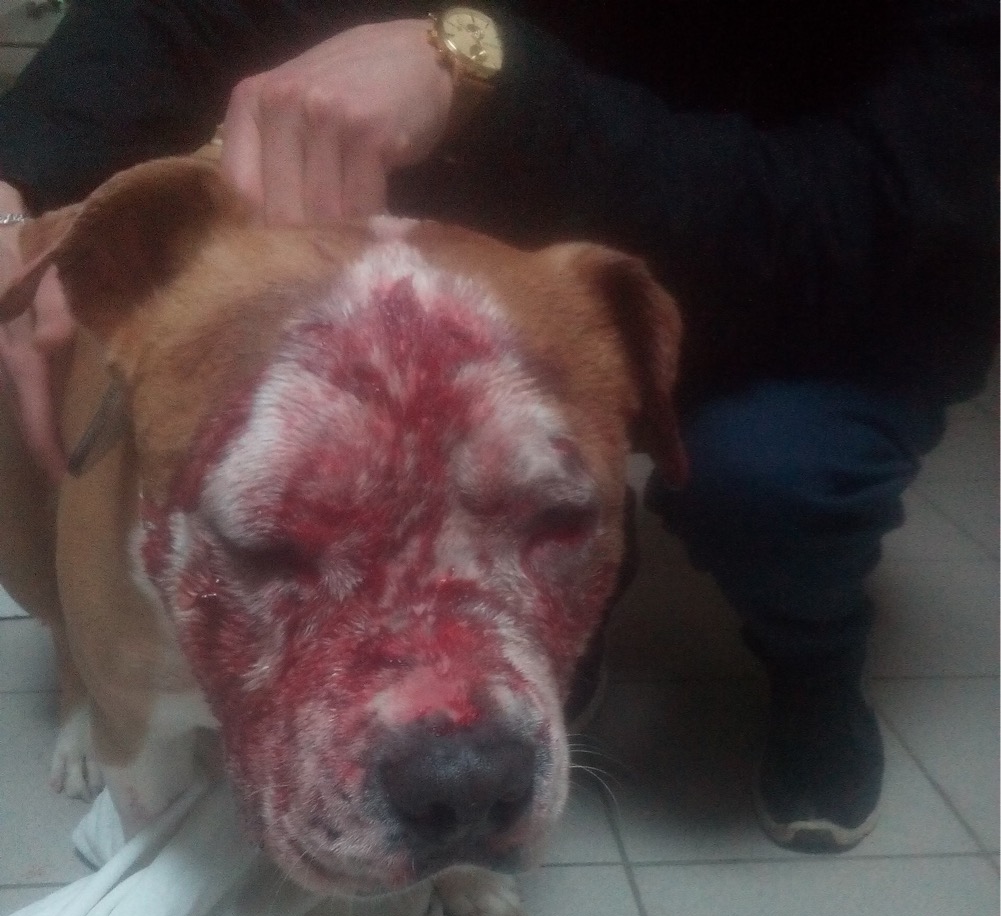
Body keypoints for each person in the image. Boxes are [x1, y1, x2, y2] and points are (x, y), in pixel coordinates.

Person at [0, 1, 996, 852]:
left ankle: (813, 657)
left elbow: (880, 196)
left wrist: (485, 69)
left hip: (834, 275)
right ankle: (557, 528)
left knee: (768, 482)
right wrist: (21, 165)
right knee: (442, 459)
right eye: (271, 541)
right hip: (534, 234)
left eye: (556, 519)